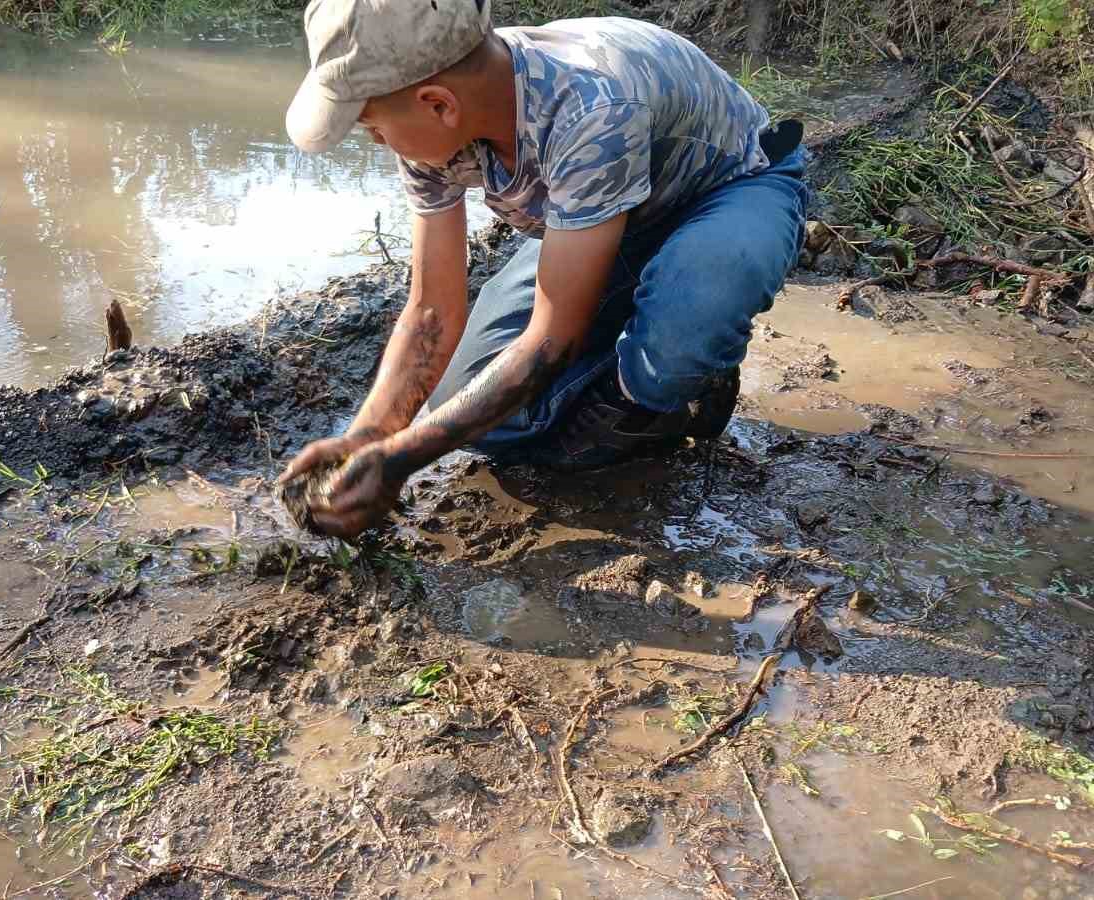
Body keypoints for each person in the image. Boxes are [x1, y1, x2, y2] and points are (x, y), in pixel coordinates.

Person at [277, 0, 809, 538]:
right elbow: (432, 307)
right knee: (470, 408)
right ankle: (650, 341)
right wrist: (368, 436)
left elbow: (551, 339)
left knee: (693, 312)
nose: (375, 141)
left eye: (371, 125)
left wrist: (402, 460)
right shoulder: (439, 114)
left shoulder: (592, 106)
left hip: (727, 190)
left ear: (438, 104)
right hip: (597, 225)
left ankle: (680, 388)